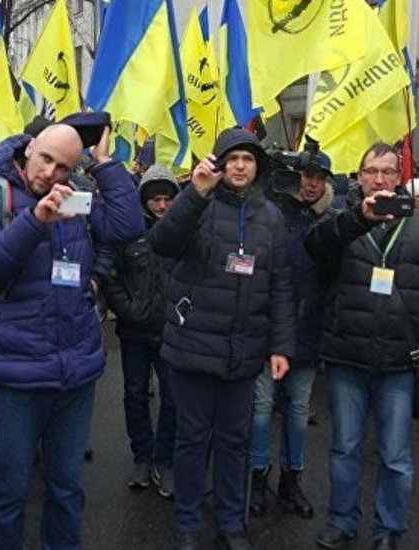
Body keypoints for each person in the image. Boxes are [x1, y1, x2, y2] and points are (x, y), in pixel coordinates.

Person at [0, 123, 143, 549]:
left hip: (76, 369)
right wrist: (35, 221)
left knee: (66, 487)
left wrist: (105, 165)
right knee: (10, 492)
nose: (51, 173)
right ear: (29, 149)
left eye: (64, 167)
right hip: (18, 372)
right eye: (46, 159)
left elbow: (127, 227)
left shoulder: (75, 193)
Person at [305, 142, 419, 550]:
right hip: (347, 356)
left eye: (388, 171)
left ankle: (388, 531)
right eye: (371, 171)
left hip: (400, 359)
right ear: (359, 177)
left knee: (396, 456)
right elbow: (315, 247)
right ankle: (341, 521)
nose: (379, 179)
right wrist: (358, 219)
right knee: (344, 448)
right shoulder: (340, 218)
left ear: (399, 177)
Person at [149, 127, 295, 550]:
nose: (240, 166)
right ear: (218, 163)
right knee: (192, 440)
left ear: (257, 167)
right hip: (194, 346)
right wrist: (194, 195)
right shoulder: (197, 203)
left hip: (243, 351)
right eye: (232, 159)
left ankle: (232, 524)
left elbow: (281, 285)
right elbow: (163, 243)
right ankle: (187, 523)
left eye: (248, 159)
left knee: (235, 442)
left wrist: (281, 346)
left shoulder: (271, 217)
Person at [248, 152, 335, 521]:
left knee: (298, 412)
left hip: (309, 331)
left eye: (319, 177)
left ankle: (291, 480)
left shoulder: (331, 221)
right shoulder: (273, 214)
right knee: (262, 408)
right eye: (305, 175)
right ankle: (257, 477)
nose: (311, 183)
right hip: (269, 331)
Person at [102, 164, 180, 497]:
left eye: (167, 199)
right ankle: (142, 458)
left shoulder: (183, 230)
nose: (161, 205)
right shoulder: (127, 231)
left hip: (172, 331)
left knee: (173, 399)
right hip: (134, 332)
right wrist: (128, 309)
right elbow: (110, 275)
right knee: (135, 395)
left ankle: (165, 460)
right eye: (155, 199)